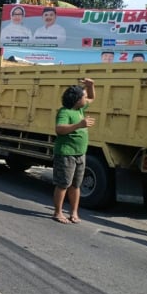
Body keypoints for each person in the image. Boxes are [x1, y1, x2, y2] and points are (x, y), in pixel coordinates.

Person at [52, 78, 96, 224]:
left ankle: (74, 212)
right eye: (83, 96)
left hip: (80, 153)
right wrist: (79, 125)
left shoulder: (80, 109)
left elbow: (92, 97)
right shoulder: (65, 112)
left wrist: (90, 86)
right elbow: (59, 129)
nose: (86, 98)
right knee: (63, 184)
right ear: (77, 100)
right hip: (66, 153)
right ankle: (58, 212)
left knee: (76, 185)